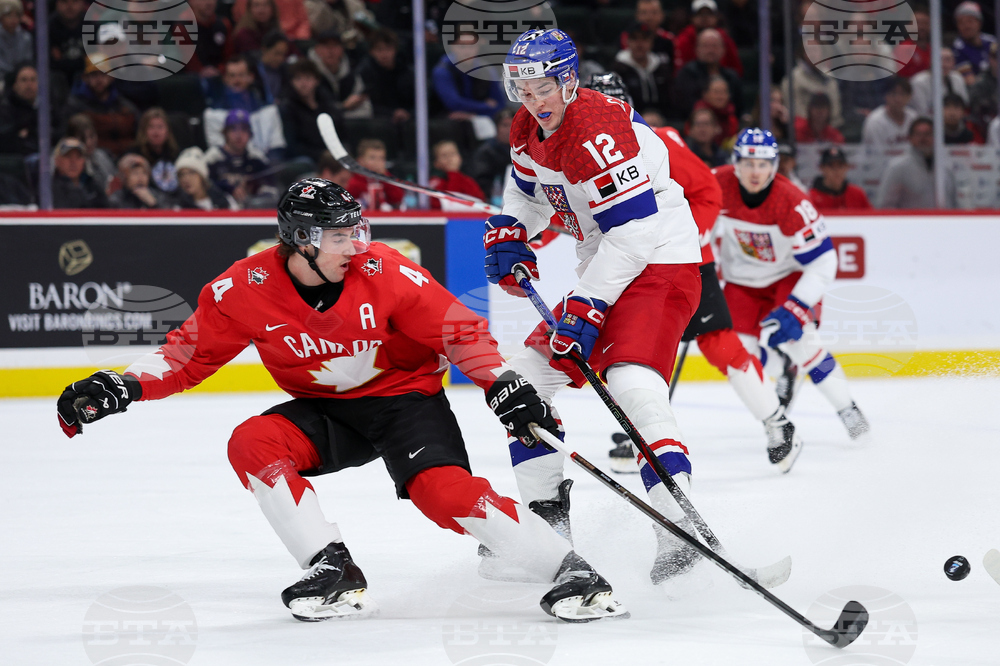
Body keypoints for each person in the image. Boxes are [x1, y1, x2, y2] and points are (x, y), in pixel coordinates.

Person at [56, 179, 627, 624]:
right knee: (251, 441)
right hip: (328, 414)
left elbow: (459, 331)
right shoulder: (243, 289)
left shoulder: (388, 271)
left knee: (440, 493)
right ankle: (331, 571)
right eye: (338, 236)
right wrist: (123, 383)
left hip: (406, 402)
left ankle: (571, 570)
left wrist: (504, 383)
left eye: (358, 230)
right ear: (301, 241)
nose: (356, 244)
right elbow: (188, 355)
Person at [486, 29, 707, 585]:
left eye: (541, 88)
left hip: (659, 264)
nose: (532, 101)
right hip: (606, 266)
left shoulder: (598, 130)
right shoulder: (526, 127)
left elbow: (633, 235)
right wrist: (516, 229)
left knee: (632, 383)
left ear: (567, 80)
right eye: (521, 88)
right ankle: (549, 533)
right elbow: (531, 195)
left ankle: (677, 529)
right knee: (522, 383)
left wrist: (588, 302)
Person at [586, 72, 805, 474]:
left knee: (718, 344)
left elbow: (706, 191)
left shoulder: (659, 140)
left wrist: (683, 238)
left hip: (683, 259)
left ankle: (777, 421)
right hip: (624, 263)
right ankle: (640, 432)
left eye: (607, 104)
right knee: (627, 350)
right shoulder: (575, 153)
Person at [714, 128, 870, 443]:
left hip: (788, 277)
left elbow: (824, 261)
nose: (755, 172)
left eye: (763, 164)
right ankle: (778, 413)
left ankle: (848, 409)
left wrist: (797, 306)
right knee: (737, 357)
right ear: (736, 163)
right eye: (748, 163)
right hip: (741, 283)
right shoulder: (716, 183)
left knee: (804, 343)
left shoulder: (792, 201)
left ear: (774, 165)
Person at [203, 54, 287, 161]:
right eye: (232, 76)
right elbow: (218, 151)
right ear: (225, 79)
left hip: (266, 168)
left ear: (250, 77)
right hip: (231, 168)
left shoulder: (268, 110)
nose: (236, 80)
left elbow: (276, 146)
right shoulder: (213, 114)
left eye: (241, 75)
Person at [205, 108, 281, 208]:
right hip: (219, 212)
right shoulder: (212, 158)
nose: (239, 135)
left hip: (252, 213)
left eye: (244, 129)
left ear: (250, 134)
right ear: (225, 133)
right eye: (234, 129)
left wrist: (256, 190)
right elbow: (203, 186)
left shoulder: (257, 158)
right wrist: (227, 188)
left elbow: (271, 188)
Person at [67, 57, 140, 158]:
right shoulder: (76, 106)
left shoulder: (125, 106)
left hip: (126, 158)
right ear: (85, 78)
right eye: (94, 75)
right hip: (91, 158)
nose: (99, 79)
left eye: (103, 74)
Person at [876, 118, 956, 208]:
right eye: (918, 134)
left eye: (928, 134)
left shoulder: (946, 167)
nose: (923, 138)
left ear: (936, 137)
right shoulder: (898, 168)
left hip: (943, 221)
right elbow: (885, 206)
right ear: (910, 138)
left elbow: (953, 204)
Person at [673, 28, 743, 120]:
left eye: (715, 46)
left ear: (723, 49)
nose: (711, 50)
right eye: (705, 46)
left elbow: (739, 107)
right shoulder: (686, 74)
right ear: (697, 49)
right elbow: (684, 107)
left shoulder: (731, 76)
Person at [280, 58, 340, 163]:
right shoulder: (288, 108)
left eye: (307, 78)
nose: (303, 83)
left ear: (316, 80)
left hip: (331, 156)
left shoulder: (327, 104)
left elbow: (340, 133)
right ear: (291, 82)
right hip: (308, 159)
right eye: (298, 78)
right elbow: (293, 146)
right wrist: (321, 155)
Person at [431, 39, 505, 120]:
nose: (467, 52)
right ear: (453, 47)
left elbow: (500, 104)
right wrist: (485, 106)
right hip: (446, 119)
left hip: (483, 118)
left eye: (471, 47)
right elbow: (454, 104)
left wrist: (472, 116)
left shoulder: (487, 70)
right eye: (462, 47)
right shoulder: (443, 70)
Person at [612, 23, 674, 120]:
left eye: (644, 39)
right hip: (629, 120)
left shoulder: (662, 68)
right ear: (627, 41)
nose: (639, 44)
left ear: (651, 42)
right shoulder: (618, 69)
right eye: (635, 39)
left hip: (661, 119)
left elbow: (670, 100)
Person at [308, 29, 372, 119]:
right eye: (326, 46)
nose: (330, 51)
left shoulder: (352, 73)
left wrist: (340, 114)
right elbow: (311, 111)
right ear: (317, 49)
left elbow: (366, 110)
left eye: (335, 46)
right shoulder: (308, 74)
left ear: (342, 49)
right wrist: (344, 107)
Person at [356, 28, 414, 123]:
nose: (384, 54)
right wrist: (392, 113)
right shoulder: (364, 73)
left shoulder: (407, 72)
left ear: (395, 50)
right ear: (371, 51)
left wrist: (408, 113)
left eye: (388, 49)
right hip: (378, 122)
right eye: (379, 49)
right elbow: (367, 104)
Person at [672, 0, 743, 75]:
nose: (705, 18)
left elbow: (737, 70)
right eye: (700, 14)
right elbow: (679, 73)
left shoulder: (724, 39)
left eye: (709, 14)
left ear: (716, 17)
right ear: (692, 18)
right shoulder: (683, 40)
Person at [127, 107, 181, 195]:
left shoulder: (175, 154)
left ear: (167, 131)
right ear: (143, 131)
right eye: (151, 127)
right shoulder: (134, 155)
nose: (156, 132)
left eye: (160, 127)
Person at [469, 107, 514, 203]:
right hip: (493, 201)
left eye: (512, 125)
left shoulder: (526, 149)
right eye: (505, 125)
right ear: (497, 128)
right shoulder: (485, 152)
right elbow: (481, 181)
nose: (509, 129)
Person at [345, 138, 405, 210]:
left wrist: (385, 177)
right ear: (360, 160)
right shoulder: (353, 181)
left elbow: (398, 198)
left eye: (381, 158)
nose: (377, 162)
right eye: (372, 158)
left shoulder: (386, 179)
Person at [808, 146, 872, 212]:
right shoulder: (812, 197)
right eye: (831, 166)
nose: (836, 171)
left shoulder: (857, 194)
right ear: (822, 168)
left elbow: (872, 219)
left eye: (840, 166)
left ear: (846, 167)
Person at [909, 47, 968, 117]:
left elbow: (964, 106)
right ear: (931, 61)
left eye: (948, 60)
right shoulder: (918, 82)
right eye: (940, 60)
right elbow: (922, 113)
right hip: (928, 124)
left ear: (953, 62)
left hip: (953, 123)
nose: (944, 65)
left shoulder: (958, 78)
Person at [51, 137, 109, 209]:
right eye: (68, 156)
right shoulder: (49, 189)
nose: (73, 162)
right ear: (57, 160)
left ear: (84, 161)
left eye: (78, 157)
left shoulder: (93, 186)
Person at [175, 146, 239, 210]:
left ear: (202, 176)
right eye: (181, 174)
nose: (186, 179)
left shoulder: (224, 201)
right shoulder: (179, 207)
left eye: (191, 172)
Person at [427, 140, 485, 211]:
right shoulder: (435, 182)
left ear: (460, 158)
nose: (450, 159)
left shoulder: (468, 181)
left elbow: (480, 203)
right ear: (436, 163)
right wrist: (453, 174)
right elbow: (441, 205)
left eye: (453, 154)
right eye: (444, 155)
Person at [861, 77, 918, 147]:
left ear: (909, 96)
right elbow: (875, 153)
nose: (898, 99)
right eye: (894, 94)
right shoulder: (875, 121)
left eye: (903, 94)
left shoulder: (914, 117)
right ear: (885, 95)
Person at [183, 0, 232, 77]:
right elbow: (189, 60)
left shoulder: (224, 24)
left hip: (222, 75)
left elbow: (230, 56)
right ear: (191, 1)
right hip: (193, 79)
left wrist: (220, 69)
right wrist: (201, 70)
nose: (209, 3)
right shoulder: (182, 26)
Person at [952, 1, 997, 83]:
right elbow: (970, 82)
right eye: (961, 22)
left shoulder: (992, 41)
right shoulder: (957, 49)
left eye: (970, 21)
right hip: (977, 93)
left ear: (979, 23)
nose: (966, 26)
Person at [108, 153, 173, 209]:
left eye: (144, 173)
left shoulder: (158, 196)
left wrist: (153, 204)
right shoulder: (116, 199)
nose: (140, 177)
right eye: (135, 173)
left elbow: (169, 218)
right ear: (124, 177)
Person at [692, 75, 738, 146]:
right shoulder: (697, 116)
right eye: (716, 92)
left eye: (724, 92)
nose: (720, 96)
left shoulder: (731, 119)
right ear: (705, 94)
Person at [257, 31, 292, 103]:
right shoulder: (252, 69)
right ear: (264, 49)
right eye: (277, 53)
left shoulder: (285, 72)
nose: (281, 59)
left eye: (283, 54)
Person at [0, 0, 31, 80]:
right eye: (8, 15)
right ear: (1, 17)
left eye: (16, 15)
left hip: (20, 78)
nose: (13, 19)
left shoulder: (26, 37)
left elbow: (27, 61)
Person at [896, 7, 931, 78]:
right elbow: (902, 77)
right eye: (917, 23)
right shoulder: (904, 48)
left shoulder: (933, 49)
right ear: (908, 26)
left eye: (925, 23)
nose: (922, 27)